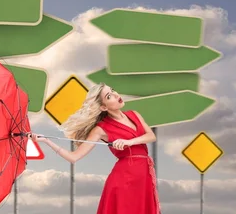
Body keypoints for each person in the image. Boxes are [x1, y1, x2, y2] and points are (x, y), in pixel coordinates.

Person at [30, 83, 161, 214]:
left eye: (113, 90)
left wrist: (129, 142)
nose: (116, 95)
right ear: (103, 107)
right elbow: (74, 157)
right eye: (109, 96)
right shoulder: (100, 129)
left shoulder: (134, 114)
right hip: (124, 179)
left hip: (145, 175)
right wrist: (46, 141)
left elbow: (150, 136)